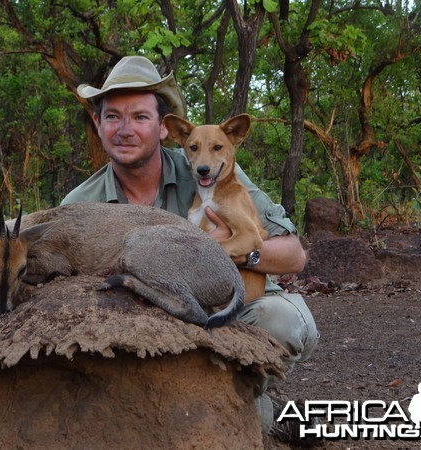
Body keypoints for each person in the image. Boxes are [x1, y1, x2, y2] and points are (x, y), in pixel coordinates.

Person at [62, 55, 320, 442]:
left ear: (164, 128)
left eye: (140, 117)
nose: (125, 129)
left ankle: (234, 408)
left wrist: (228, 252)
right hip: (147, 324)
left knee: (280, 319)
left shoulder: (210, 165)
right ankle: (236, 412)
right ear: (97, 124)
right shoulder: (80, 205)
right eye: (112, 116)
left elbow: (293, 255)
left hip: (228, 314)